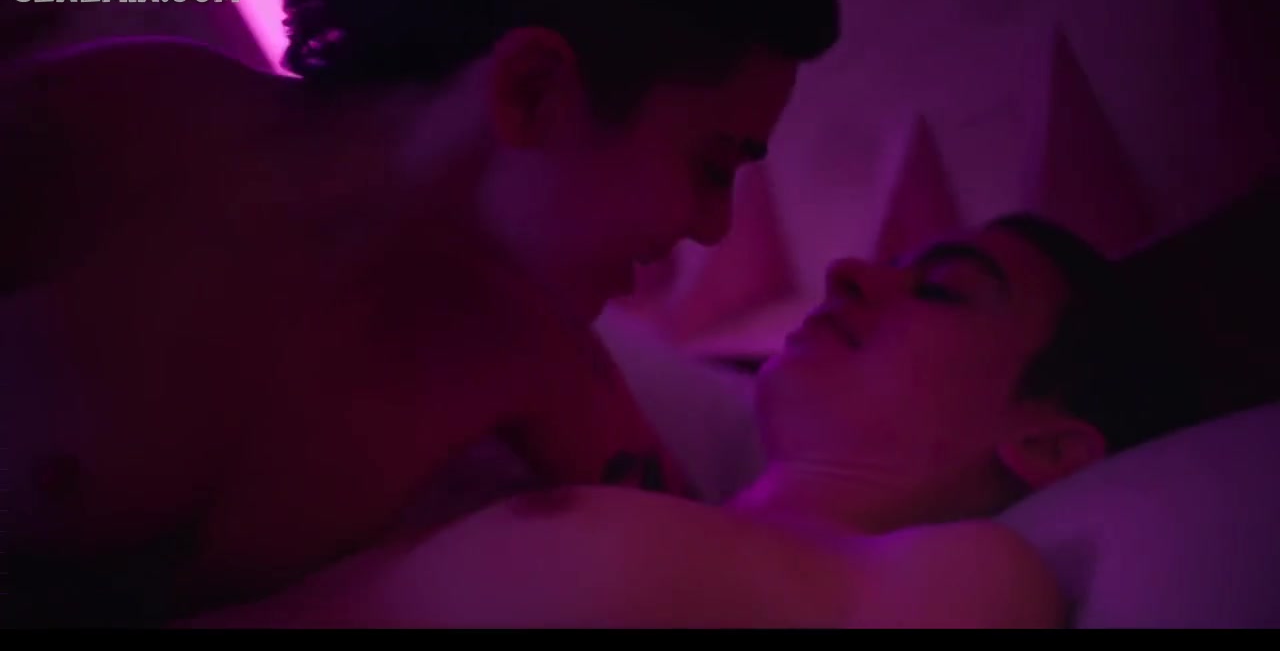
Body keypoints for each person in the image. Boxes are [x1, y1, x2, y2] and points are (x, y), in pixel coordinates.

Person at [0, 0, 843, 625]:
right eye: (710, 167)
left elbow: (731, 578)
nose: (714, 227)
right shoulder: (122, 129)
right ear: (531, 88)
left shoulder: (529, 349)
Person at [181, 214, 1202, 628]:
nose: (849, 271)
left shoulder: (968, 577)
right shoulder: (671, 501)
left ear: (1046, 442)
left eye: (940, 289)